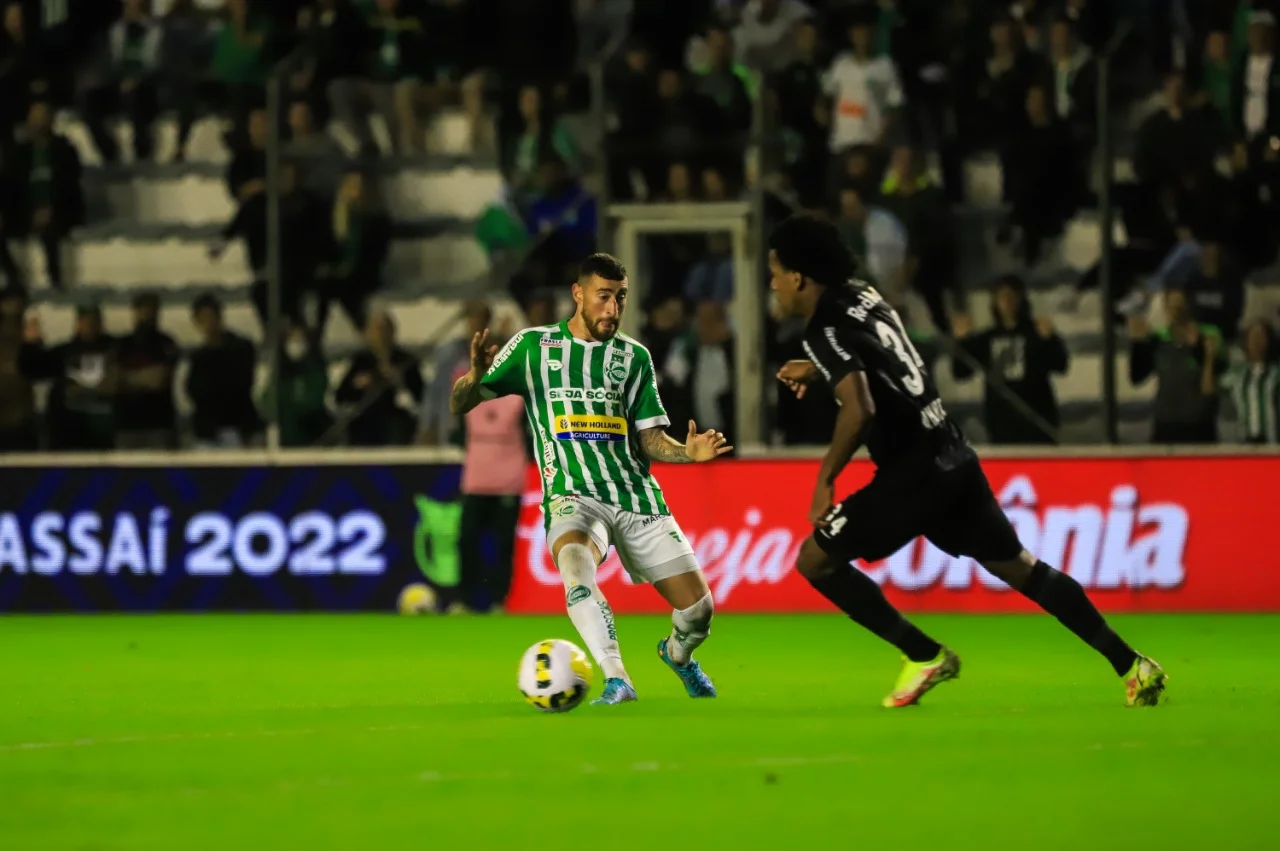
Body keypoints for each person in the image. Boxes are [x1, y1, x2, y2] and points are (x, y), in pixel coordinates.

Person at [768, 214, 1167, 709]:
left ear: (800, 276)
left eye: (775, 272)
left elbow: (861, 407)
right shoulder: (864, 296)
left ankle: (923, 654)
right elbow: (883, 359)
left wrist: (825, 479)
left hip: (911, 473)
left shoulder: (822, 327)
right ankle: (1132, 665)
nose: (774, 284)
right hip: (950, 453)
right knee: (1023, 568)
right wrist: (825, 368)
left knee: (815, 561)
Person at [449, 253, 732, 706]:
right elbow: (461, 404)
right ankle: (617, 678)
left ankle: (678, 655)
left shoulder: (634, 357)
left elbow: (651, 440)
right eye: (604, 297)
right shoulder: (532, 348)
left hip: (634, 495)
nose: (613, 309)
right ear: (578, 294)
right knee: (576, 569)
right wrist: (475, 376)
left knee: (699, 610)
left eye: (620, 298)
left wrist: (686, 453)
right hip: (572, 494)